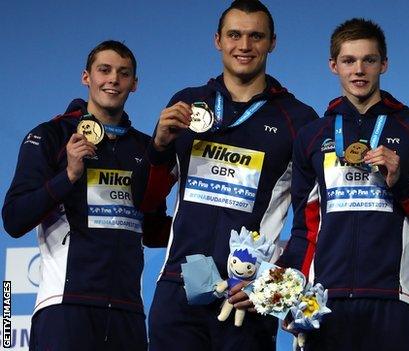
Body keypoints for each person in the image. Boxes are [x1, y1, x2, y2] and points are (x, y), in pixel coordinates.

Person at [130, 1, 318, 350]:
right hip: (179, 286)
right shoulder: (187, 104)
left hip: (247, 297)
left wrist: (276, 284)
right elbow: (145, 200)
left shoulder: (298, 119)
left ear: (272, 42)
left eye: (255, 36)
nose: (244, 46)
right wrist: (157, 148)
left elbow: (312, 218)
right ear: (218, 40)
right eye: (234, 35)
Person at [276, 18, 409, 351]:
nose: (359, 70)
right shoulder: (312, 135)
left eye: (369, 60)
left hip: (394, 301)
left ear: (383, 64)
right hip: (324, 303)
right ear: (334, 66)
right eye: (348, 61)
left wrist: (400, 183)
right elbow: (306, 228)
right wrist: (291, 291)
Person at [2, 40, 166, 351]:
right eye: (104, 70)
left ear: (135, 84)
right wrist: (69, 176)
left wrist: (208, 224)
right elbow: (14, 218)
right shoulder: (51, 135)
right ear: (86, 77)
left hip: (127, 310)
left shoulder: (145, 149)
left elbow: (154, 229)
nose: (113, 80)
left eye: (123, 73)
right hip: (65, 307)